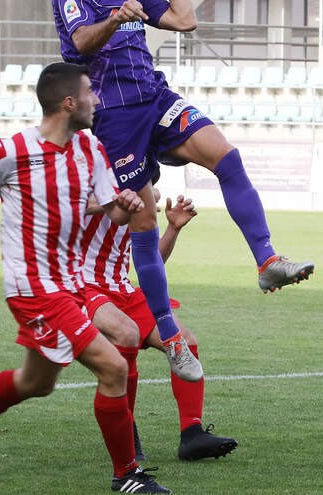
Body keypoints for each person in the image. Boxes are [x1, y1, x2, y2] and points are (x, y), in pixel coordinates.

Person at [52, 0, 314, 375]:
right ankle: (170, 336)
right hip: (114, 114)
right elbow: (81, 41)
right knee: (143, 220)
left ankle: (267, 259)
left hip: (154, 98)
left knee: (227, 158)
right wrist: (114, 20)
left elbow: (185, 19)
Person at [0, 62, 171, 495]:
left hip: (70, 285)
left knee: (34, 383)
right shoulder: (11, 151)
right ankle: (126, 472)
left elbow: (108, 210)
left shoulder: (90, 152)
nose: (97, 100)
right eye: (90, 93)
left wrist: (123, 204)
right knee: (112, 366)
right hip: (34, 288)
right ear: (68, 102)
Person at [83, 183, 238, 462]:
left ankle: (192, 434)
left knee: (184, 340)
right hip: (82, 286)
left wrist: (173, 228)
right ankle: (125, 428)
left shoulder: (140, 198)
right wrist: (126, 198)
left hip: (122, 289)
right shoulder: (88, 180)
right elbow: (77, 203)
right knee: (126, 333)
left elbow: (150, 263)